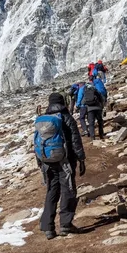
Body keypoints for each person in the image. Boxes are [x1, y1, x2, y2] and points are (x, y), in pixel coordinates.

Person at [36, 92, 86, 239]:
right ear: (63, 102)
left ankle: (48, 228)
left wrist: (40, 162)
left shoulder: (42, 120)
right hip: (65, 161)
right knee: (68, 190)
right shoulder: (66, 118)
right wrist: (81, 159)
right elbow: (75, 140)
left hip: (47, 162)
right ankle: (65, 224)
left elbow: (37, 142)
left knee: (52, 191)